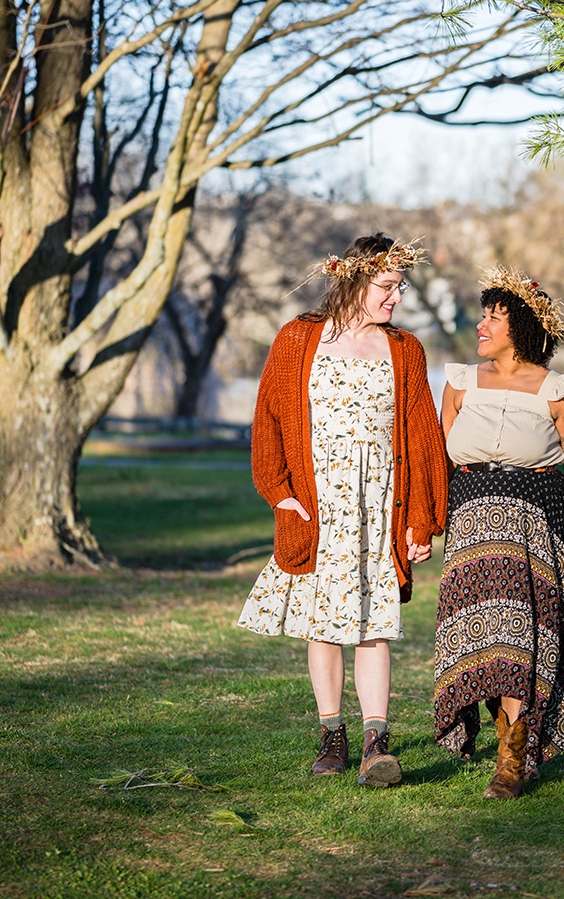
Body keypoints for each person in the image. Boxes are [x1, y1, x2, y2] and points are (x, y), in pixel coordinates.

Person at [239, 234, 448, 788]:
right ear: (354, 281)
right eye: (386, 286)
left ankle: (377, 744)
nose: (396, 298)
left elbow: (424, 436)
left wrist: (420, 518)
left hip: (381, 503)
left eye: (400, 287)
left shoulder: (405, 349)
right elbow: (269, 421)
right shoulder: (298, 338)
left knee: (375, 625)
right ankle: (333, 733)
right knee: (323, 626)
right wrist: (280, 494)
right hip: (317, 503)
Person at [433, 268, 564, 799]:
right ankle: (512, 744)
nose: (481, 324)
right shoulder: (459, 382)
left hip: (535, 527)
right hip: (470, 527)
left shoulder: (560, 393)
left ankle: (513, 758)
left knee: (522, 641)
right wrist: (420, 526)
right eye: (483, 314)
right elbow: (439, 458)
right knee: (485, 642)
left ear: (522, 327)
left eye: (493, 317)